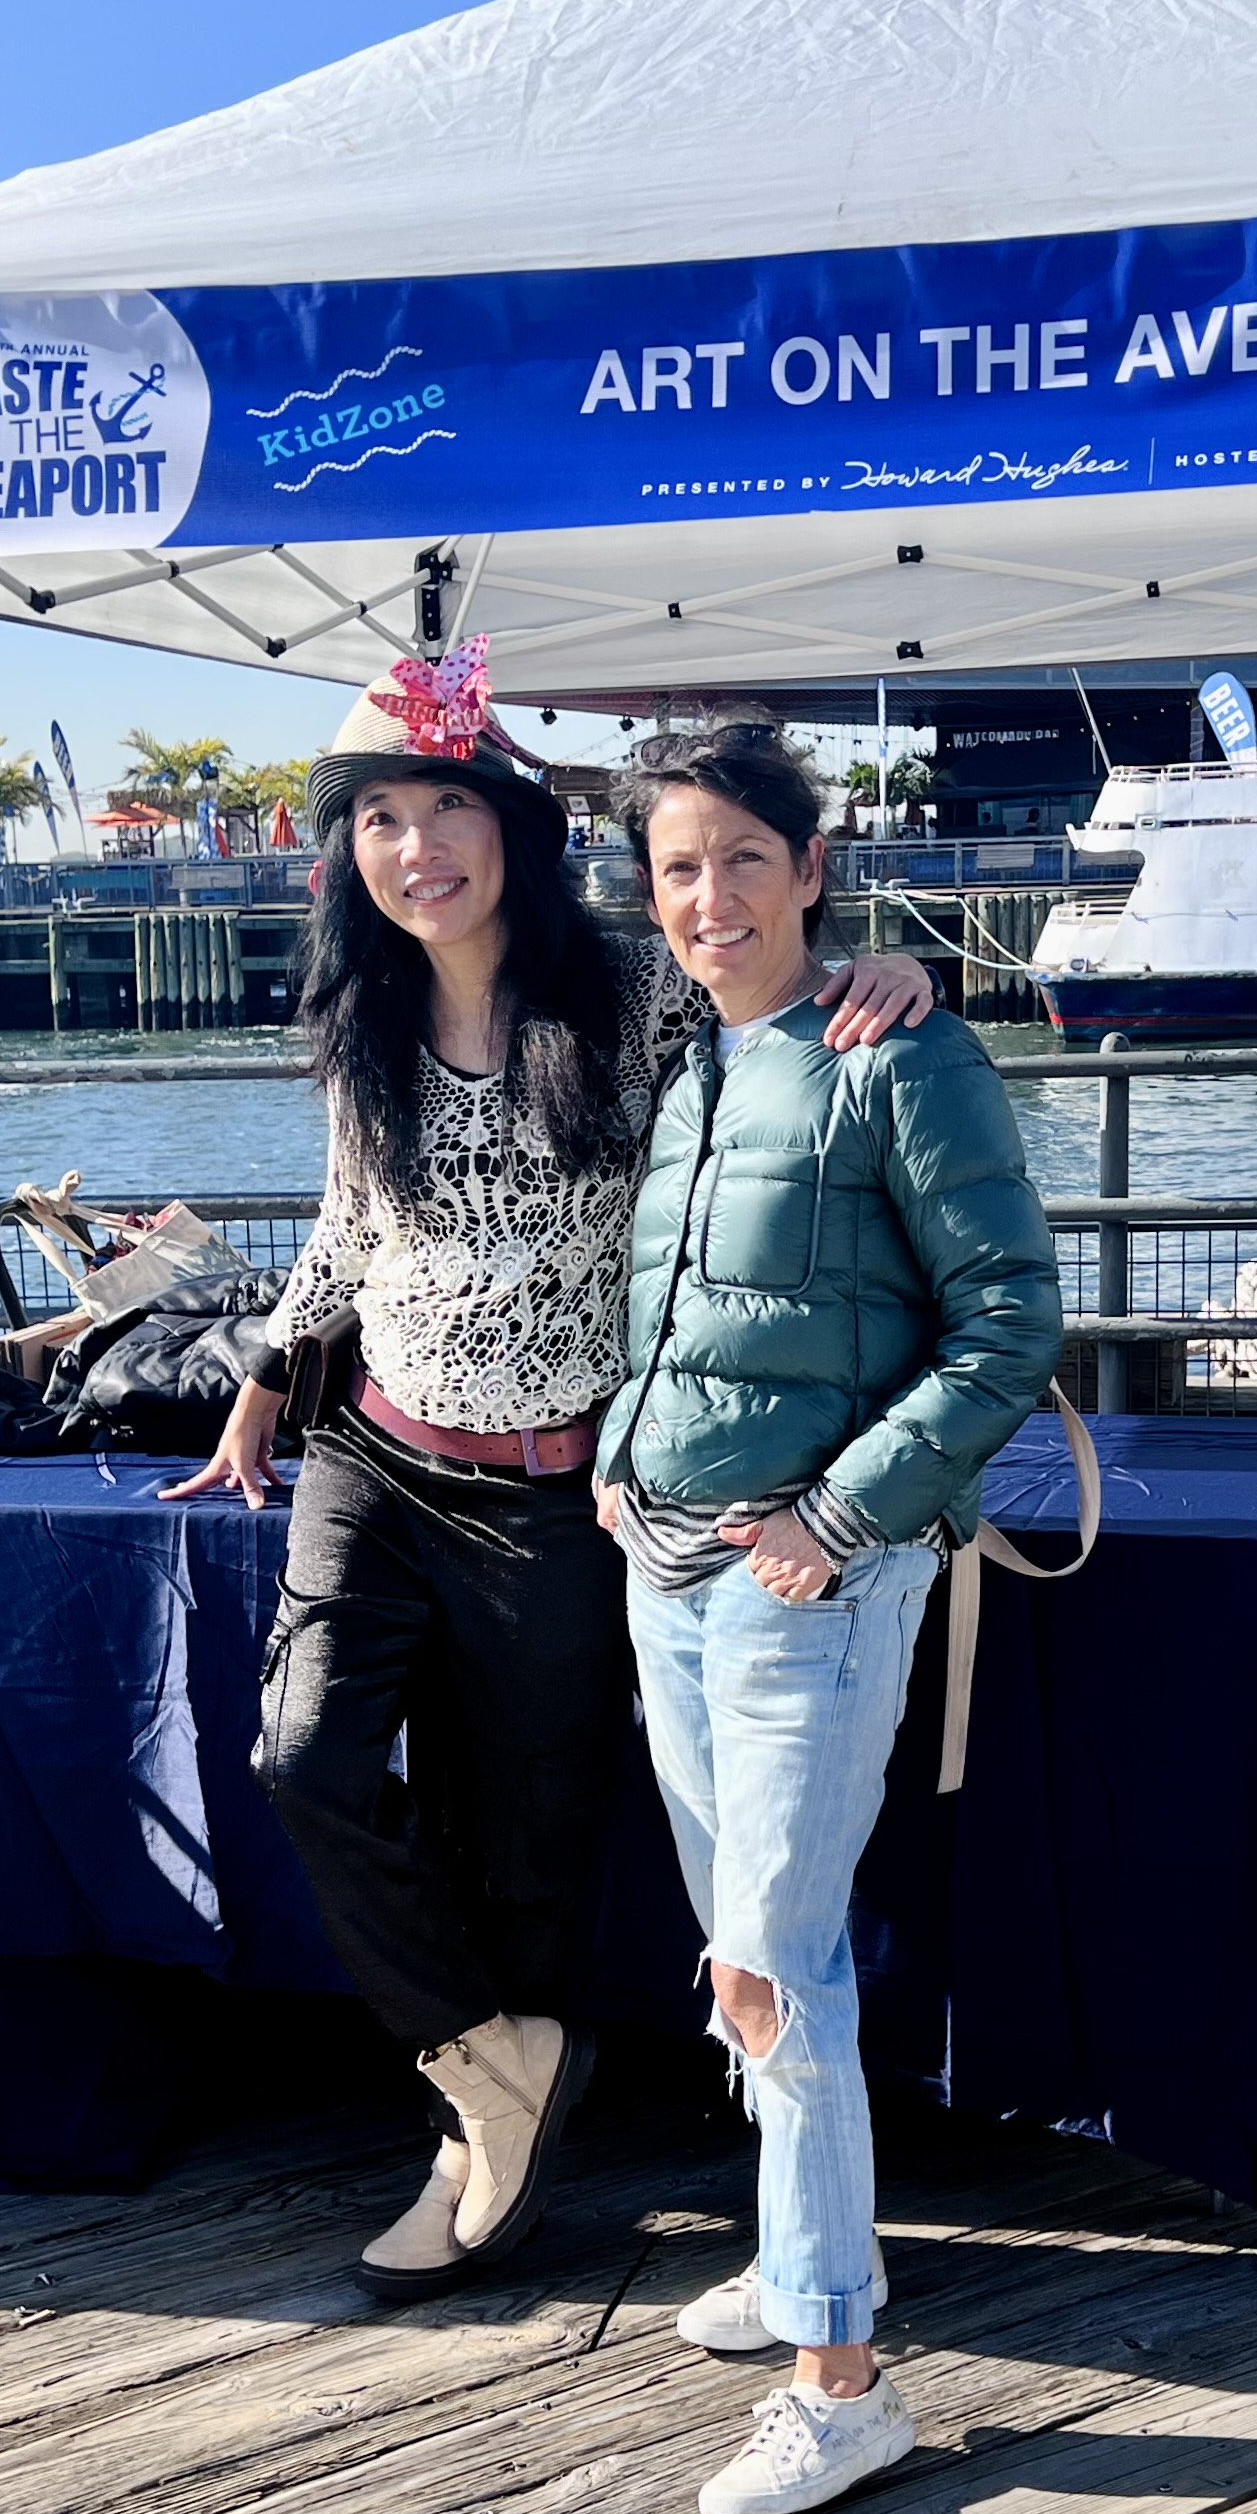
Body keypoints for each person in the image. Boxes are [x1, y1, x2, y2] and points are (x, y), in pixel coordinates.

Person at [164, 650, 933, 2303]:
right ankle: (485, 2059)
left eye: (447, 804)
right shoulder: (358, 1009)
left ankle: (488, 2142)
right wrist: (263, 1367)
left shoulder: (627, 997)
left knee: (526, 1843)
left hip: (563, 1485)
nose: (416, 843)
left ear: (510, 821)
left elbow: (771, 1019)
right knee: (302, 1755)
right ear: (345, 846)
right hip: (377, 1445)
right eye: (380, 815)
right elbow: (350, 1220)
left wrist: (899, 969)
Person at [593, 724, 1061, 2514]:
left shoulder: (899, 1051)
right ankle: (800, 2265)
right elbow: (690, 1304)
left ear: (808, 864)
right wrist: (625, 1471)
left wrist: (843, 1515)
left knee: (776, 1964)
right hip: (668, 1561)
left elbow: (1010, 1315)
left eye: (738, 858)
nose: (706, 898)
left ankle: (838, 2376)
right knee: (741, 1938)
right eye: (675, 868)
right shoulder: (697, 1061)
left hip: (809, 1578)